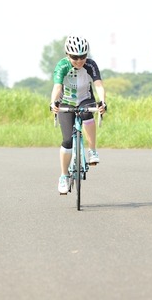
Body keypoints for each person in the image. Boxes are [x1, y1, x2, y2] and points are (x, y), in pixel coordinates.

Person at [49, 35, 107, 194]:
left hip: (85, 99)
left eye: (82, 56)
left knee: (88, 115)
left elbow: (99, 85)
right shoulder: (62, 65)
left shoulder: (91, 65)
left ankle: (92, 150)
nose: (79, 60)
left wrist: (102, 102)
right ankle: (63, 175)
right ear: (67, 54)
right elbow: (57, 87)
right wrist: (53, 103)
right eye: (75, 57)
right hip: (66, 101)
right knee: (67, 140)